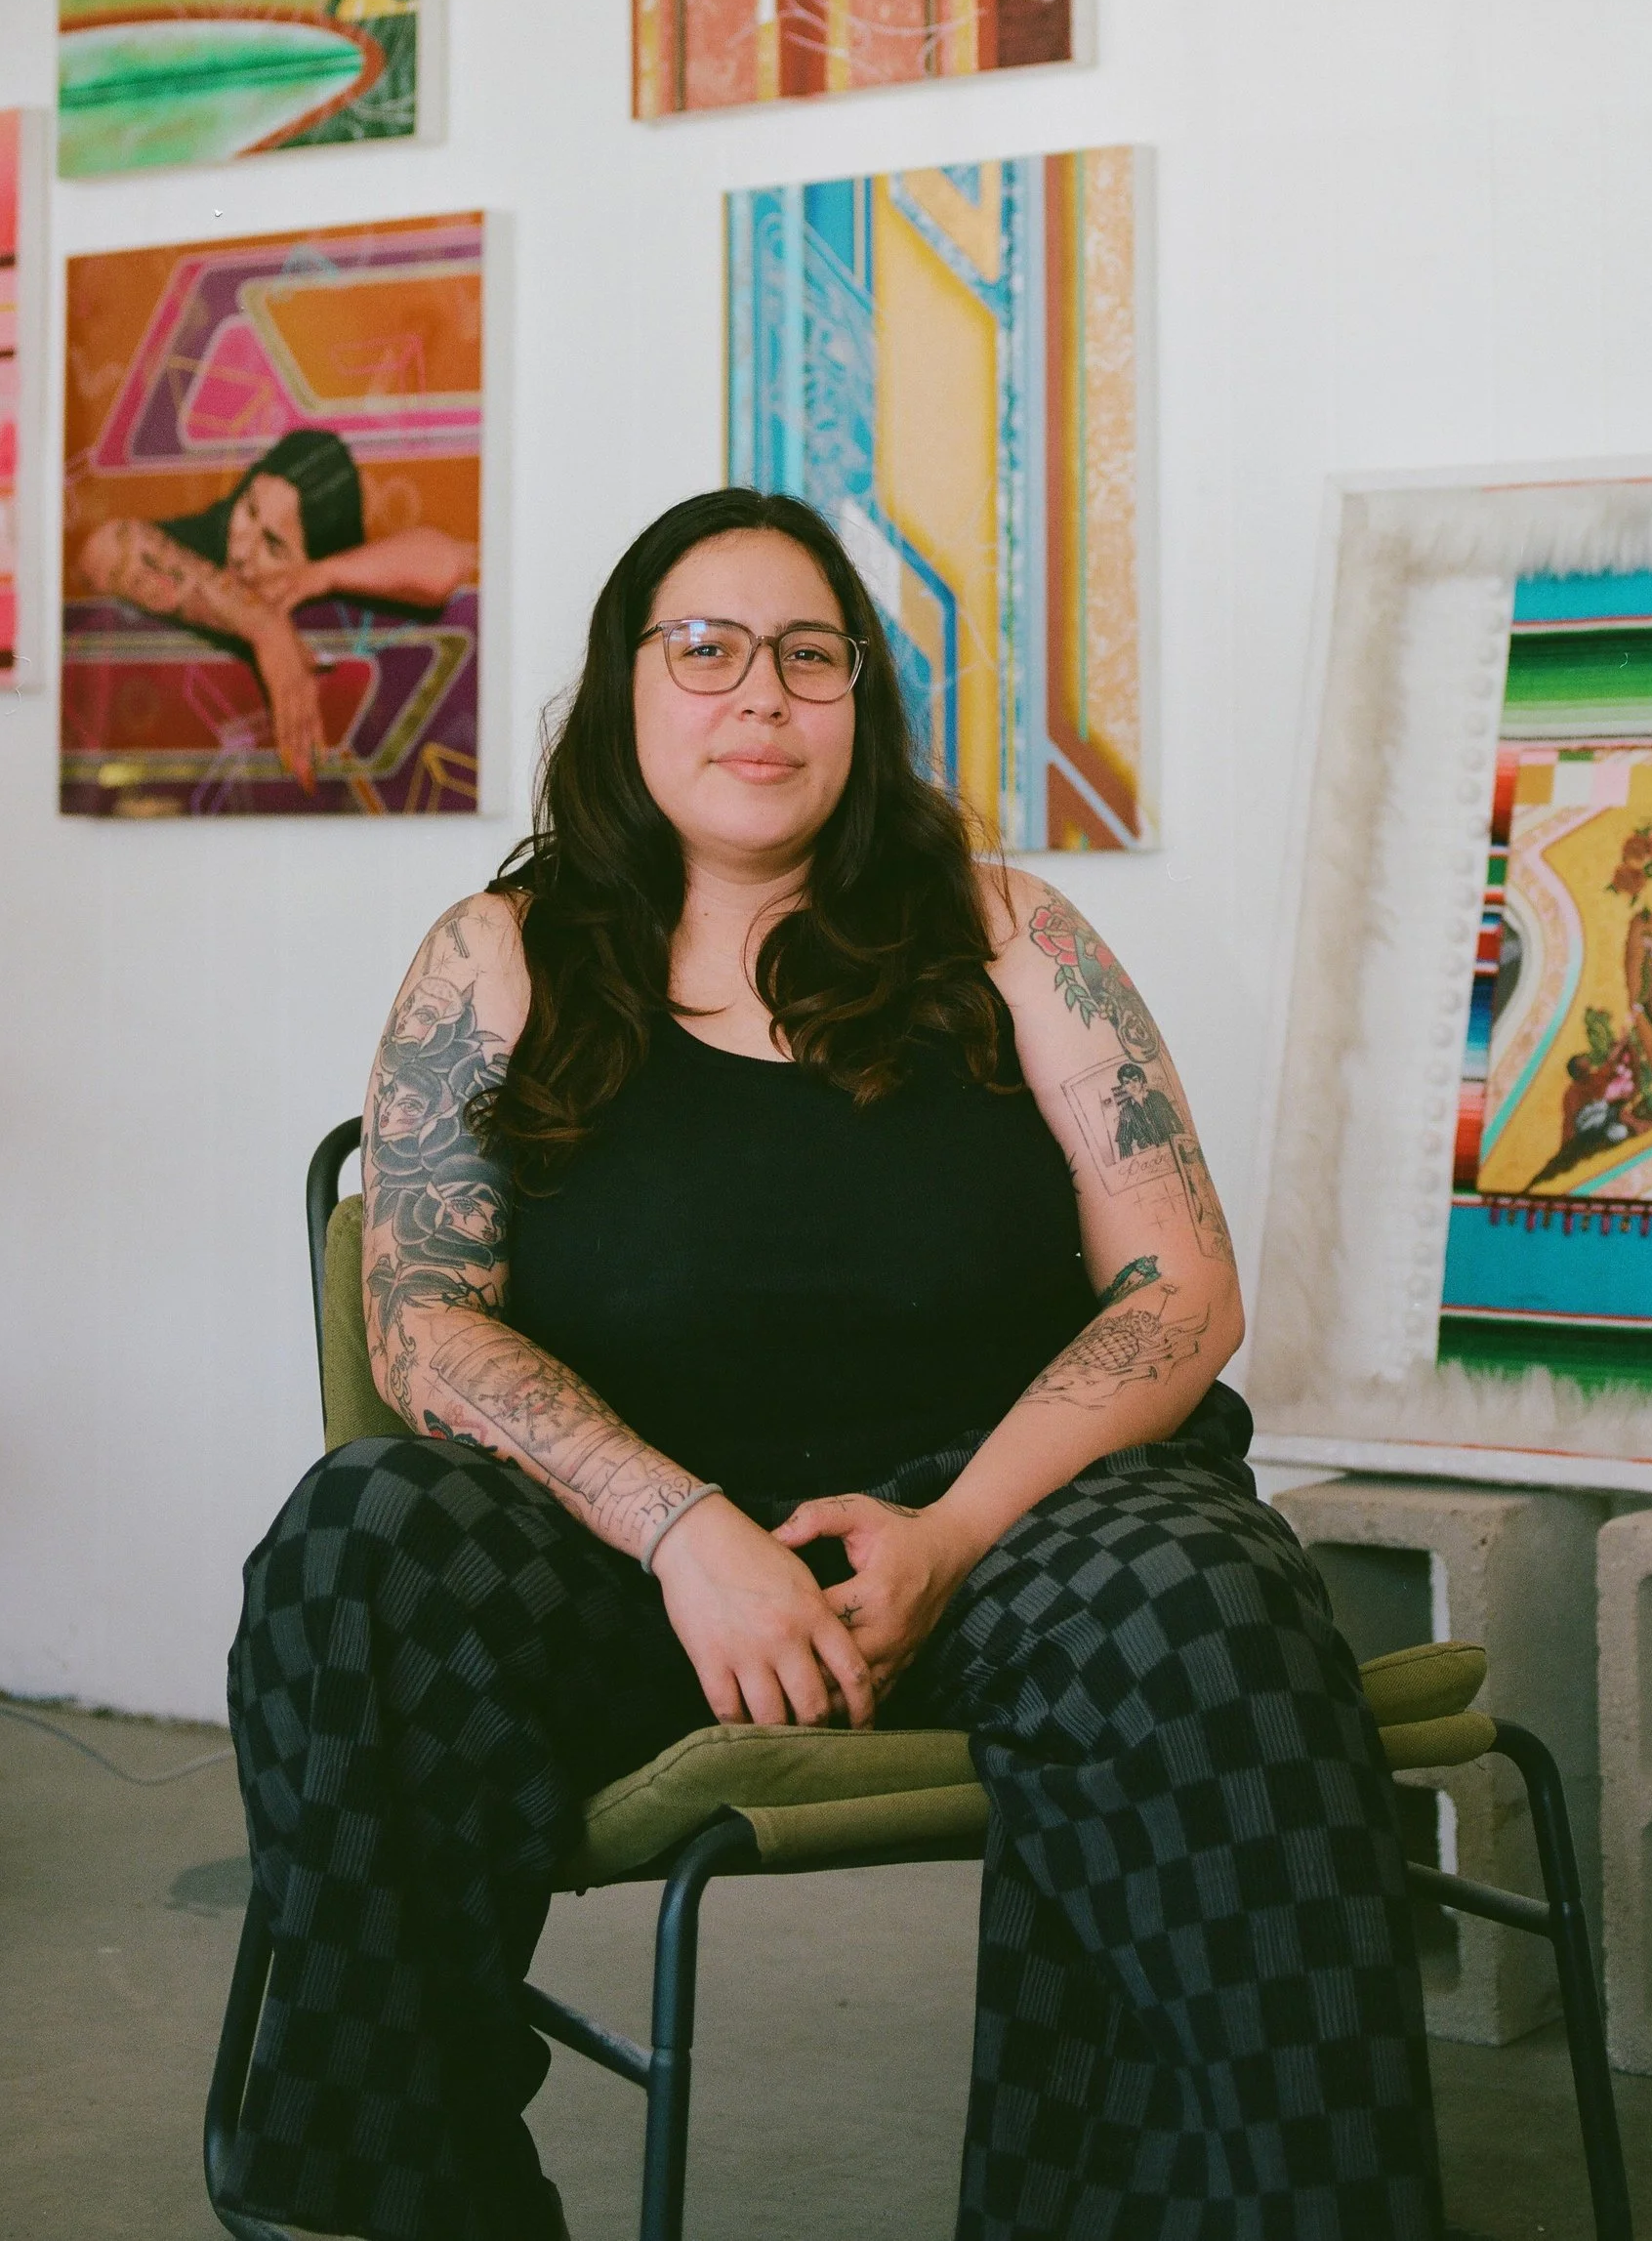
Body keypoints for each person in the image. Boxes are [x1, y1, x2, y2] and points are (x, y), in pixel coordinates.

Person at [224, 488, 1445, 2241]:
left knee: (1208, 1597)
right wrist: (688, 1532)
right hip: (632, 1570)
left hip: (1008, 1534)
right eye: (705, 648)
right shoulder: (498, 958)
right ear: (624, 688)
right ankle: (412, 2204)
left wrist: (950, 1537)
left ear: (862, 700)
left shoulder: (1011, 933)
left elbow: (1180, 1289)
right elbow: (422, 1322)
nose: (761, 694)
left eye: (811, 656)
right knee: (357, 1539)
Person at [76, 428, 478, 791]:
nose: (242, 549)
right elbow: (102, 548)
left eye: (273, 545)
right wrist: (264, 625)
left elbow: (448, 565)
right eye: (248, 510)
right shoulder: (209, 537)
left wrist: (325, 574)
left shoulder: (322, 582)